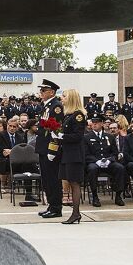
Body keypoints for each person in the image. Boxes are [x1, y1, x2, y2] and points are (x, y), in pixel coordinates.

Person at [56, 88, 89, 225]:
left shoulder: (78, 115)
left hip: (74, 154)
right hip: (67, 153)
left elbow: (78, 136)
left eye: (64, 96)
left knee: (74, 183)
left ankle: (76, 213)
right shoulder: (68, 115)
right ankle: (75, 213)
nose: (61, 99)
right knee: (69, 181)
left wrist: (62, 136)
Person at [35, 78, 66, 219]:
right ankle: (51, 205)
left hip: (49, 148)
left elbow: (56, 131)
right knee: (46, 179)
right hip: (43, 146)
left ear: (52, 92)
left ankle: (56, 207)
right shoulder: (47, 106)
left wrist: (52, 150)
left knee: (52, 178)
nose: (41, 92)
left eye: (43, 90)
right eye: (41, 90)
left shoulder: (56, 106)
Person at [84, 115, 123, 207]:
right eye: (93, 123)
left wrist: (109, 160)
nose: (94, 124)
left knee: (120, 168)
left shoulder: (109, 137)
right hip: (94, 163)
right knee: (92, 169)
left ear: (102, 123)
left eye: (96, 123)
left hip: (108, 162)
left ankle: (118, 195)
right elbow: (86, 154)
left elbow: (115, 153)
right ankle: (95, 196)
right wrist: (97, 161)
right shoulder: (87, 137)